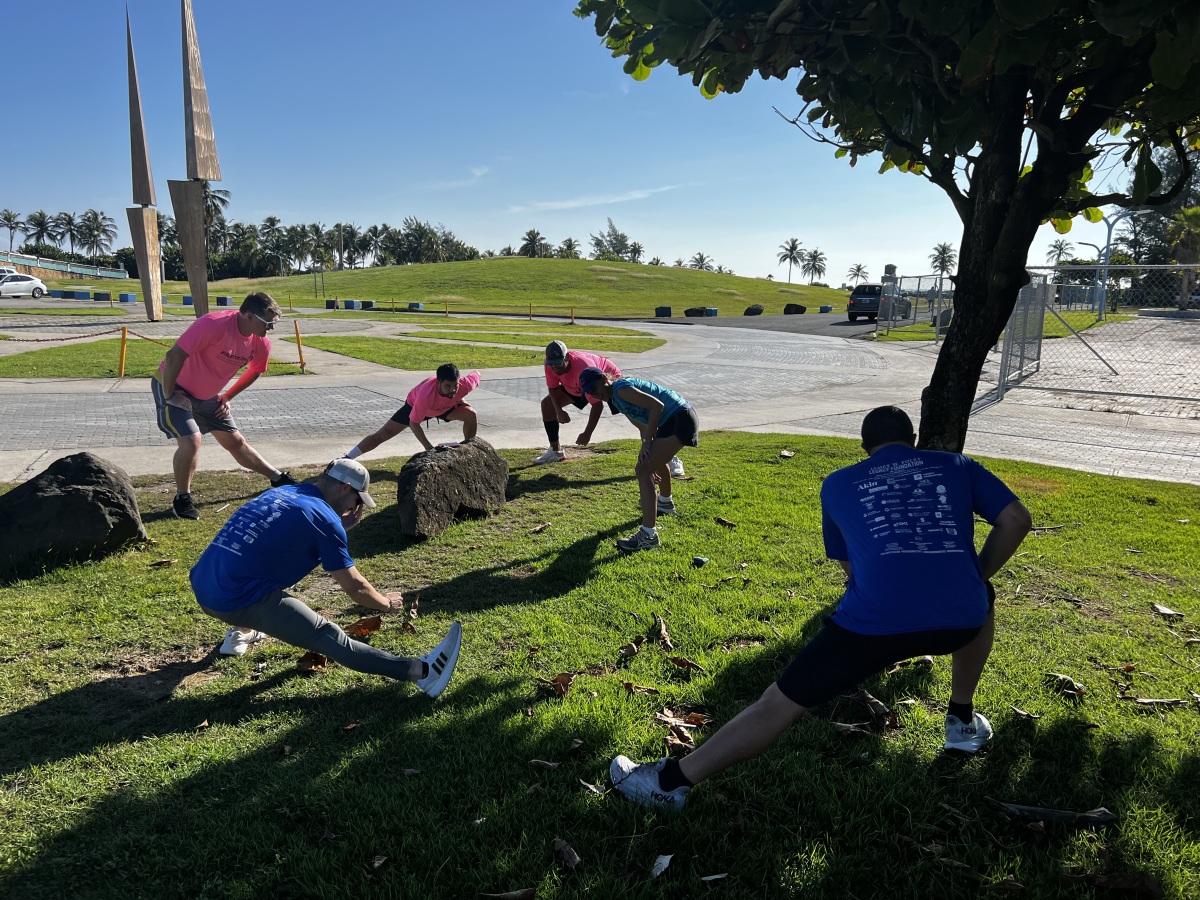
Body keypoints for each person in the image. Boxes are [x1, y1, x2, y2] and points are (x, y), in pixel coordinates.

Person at [608, 405, 1033, 810]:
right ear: (913, 440)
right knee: (984, 598)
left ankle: (670, 784)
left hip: (871, 624)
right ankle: (961, 721)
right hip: (961, 619)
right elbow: (1016, 519)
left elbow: (852, 568)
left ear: (864, 448)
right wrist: (975, 575)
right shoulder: (957, 465)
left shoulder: (838, 483)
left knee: (777, 703)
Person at [189, 458, 462, 698]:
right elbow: (356, 588)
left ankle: (243, 630)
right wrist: (385, 605)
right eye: (357, 500)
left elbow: (285, 533)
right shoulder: (324, 520)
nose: (355, 508)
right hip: (235, 598)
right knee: (327, 636)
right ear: (345, 488)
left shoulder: (284, 493)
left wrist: (336, 524)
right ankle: (424, 673)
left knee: (258, 573)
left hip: (204, 584)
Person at [152, 292, 297, 520]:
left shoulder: (261, 343)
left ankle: (277, 478)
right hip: (173, 387)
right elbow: (173, 356)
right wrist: (169, 395)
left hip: (209, 396)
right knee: (192, 440)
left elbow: (256, 370)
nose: (271, 329)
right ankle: (182, 499)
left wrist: (228, 396)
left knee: (236, 441)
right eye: (268, 323)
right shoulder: (213, 325)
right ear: (249, 315)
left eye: (274, 324)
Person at [577, 367, 699, 553]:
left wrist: (649, 441)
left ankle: (648, 536)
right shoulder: (615, 400)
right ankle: (665, 502)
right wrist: (646, 445)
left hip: (679, 417)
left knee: (642, 470)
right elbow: (642, 424)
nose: (596, 394)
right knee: (648, 462)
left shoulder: (620, 388)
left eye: (596, 388)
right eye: (591, 393)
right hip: (676, 418)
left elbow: (657, 406)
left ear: (604, 378)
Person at [345, 363, 480, 458]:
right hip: (417, 407)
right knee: (384, 433)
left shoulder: (464, 385)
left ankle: (469, 450)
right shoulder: (425, 395)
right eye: (448, 386)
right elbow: (414, 423)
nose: (453, 390)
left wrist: (458, 399)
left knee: (471, 414)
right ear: (438, 383)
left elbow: (477, 374)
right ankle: (347, 458)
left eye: (455, 386)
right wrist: (428, 448)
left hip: (445, 408)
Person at [534, 340, 623, 464]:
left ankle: (650, 440)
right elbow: (553, 388)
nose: (555, 368)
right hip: (576, 384)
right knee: (547, 405)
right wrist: (559, 411)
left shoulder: (584, 367)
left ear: (567, 357)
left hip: (605, 380)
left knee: (627, 408)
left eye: (558, 364)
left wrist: (587, 433)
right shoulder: (549, 365)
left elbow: (597, 406)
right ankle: (556, 452)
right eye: (552, 364)